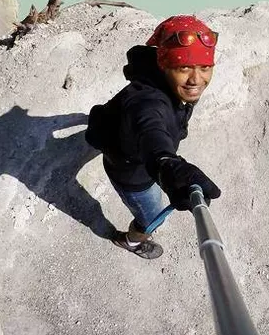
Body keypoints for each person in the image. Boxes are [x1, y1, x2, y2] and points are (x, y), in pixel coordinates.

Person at [88, 14, 221, 259]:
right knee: (150, 216)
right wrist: (166, 165)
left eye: (205, 67)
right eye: (184, 68)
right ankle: (131, 241)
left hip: (128, 150)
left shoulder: (170, 84)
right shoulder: (147, 102)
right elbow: (151, 130)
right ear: (165, 65)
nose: (196, 79)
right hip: (133, 173)